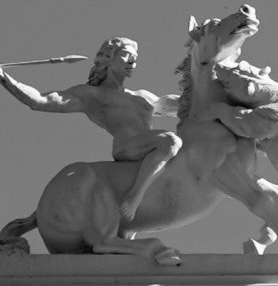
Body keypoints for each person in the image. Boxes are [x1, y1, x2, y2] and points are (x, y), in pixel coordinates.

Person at [0, 40, 182, 241]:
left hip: (150, 150)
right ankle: (134, 197)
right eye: (127, 56)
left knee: (177, 149)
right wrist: (5, 78)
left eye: (135, 59)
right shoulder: (91, 95)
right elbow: (39, 101)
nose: (133, 62)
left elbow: (182, 105)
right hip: (128, 146)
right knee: (170, 141)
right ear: (108, 58)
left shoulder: (143, 96)